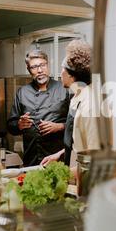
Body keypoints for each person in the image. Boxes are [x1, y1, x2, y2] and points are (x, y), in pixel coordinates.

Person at [40, 40, 100, 168]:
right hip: (75, 174)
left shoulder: (91, 106)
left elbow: (95, 156)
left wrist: (66, 174)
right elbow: (78, 144)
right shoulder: (76, 99)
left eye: (63, 69)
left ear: (72, 76)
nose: (60, 73)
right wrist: (61, 154)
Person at [7, 49, 70, 166]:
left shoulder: (64, 89)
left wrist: (59, 126)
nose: (40, 70)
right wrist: (19, 125)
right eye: (34, 67)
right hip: (31, 158)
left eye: (42, 65)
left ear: (48, 65)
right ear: (29, 70)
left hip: (58, 158)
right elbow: (11, 126)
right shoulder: (22, 92)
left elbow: (77, 124)